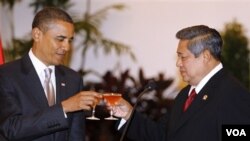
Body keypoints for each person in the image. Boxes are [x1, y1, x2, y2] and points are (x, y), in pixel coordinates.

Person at [112, 25, 250, 141]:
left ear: (206, 56)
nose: (178, 63)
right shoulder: (186, 94)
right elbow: (162, 135)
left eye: (183, 57)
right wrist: (129, 115)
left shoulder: (233, 95)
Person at [0, 7, 101, 141]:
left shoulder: (73, 79)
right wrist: (63, 108)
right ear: (37, 35)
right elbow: (11, 129)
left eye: (69, 40)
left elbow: (76, 135)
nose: (67, 47)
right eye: (60, 39)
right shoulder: (7, 75)